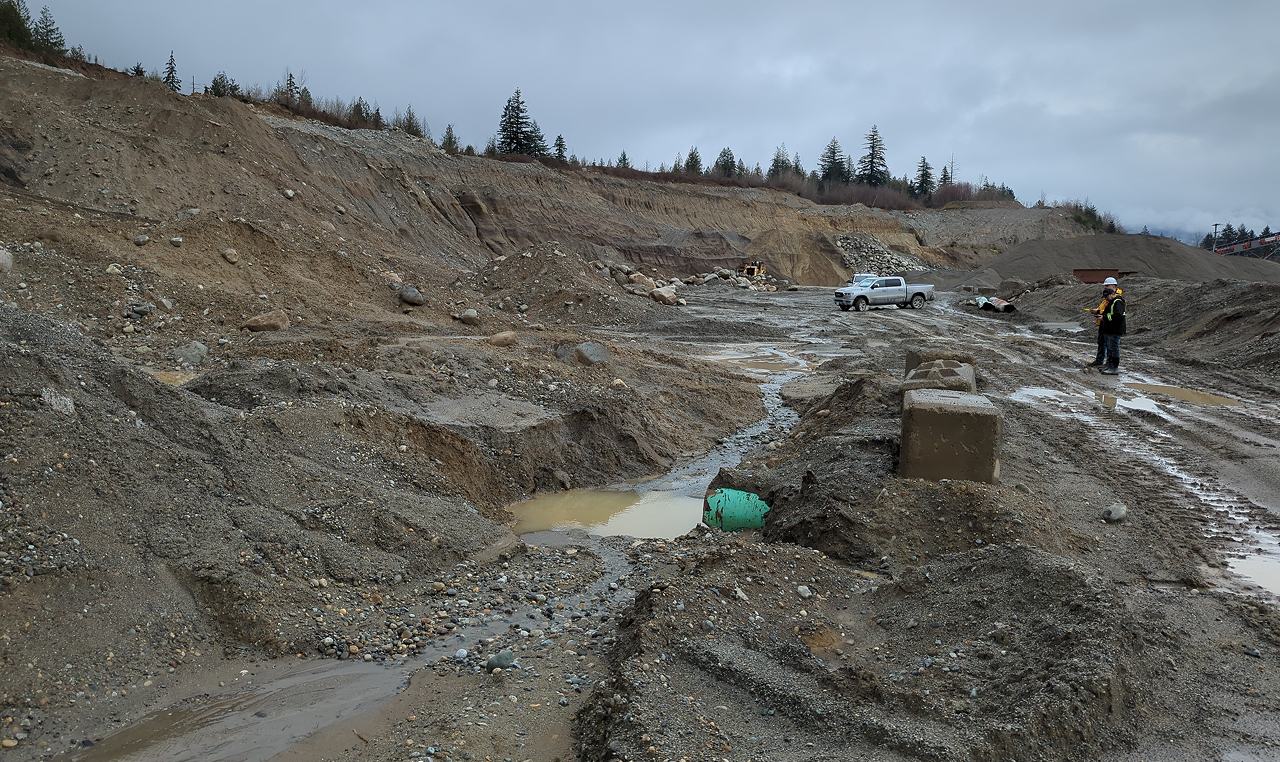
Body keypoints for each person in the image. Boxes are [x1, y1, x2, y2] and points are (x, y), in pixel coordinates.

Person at [1087, 277, 1126, 374]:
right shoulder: (1110, 300)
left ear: (1113, 288)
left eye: (1107, 286)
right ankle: (1109, 365)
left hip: (1114, 329)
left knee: (1113, 348)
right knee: (1109, 347)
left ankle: (1113, 367)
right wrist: (1100, 314)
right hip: (1109, 327)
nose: (1106, 298)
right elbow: (1108, 312)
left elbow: (1117, 316)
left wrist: (1104, 318)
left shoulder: (1117, 301)